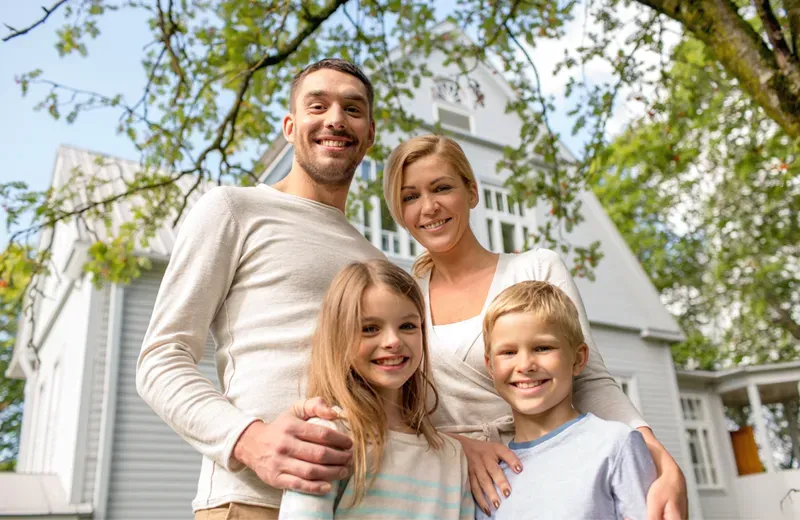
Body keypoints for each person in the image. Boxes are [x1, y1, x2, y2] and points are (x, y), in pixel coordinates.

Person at [382, 134, 688, 518]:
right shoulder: (405, 299)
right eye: (410, 197)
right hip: (447, 485)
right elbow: (398, 408)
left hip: (544, 470)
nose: (428, 207)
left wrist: (657, 457)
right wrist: (459, 447)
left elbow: (590, 379)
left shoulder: (535, 268)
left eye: (442, 188)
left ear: (472, 192)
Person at [136, 59, 385, 519]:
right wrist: (250, 441)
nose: (335, 119)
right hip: (251, 501)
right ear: (291, 126)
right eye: (318, 105)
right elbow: (161, 359)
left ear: (369, 134)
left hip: (360, 506)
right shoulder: (234, 209)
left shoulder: (378, 262)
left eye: (352, 109)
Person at [279, 260, 473, 519]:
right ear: (339, 339)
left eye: (407, 326)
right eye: (370, 329)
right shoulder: (327, 438)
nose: (393, 341)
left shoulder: (452, 456)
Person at [475, 280, 656, 519]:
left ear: (578, 359)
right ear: (491, 366)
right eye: (508, 352)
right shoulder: (489, 476)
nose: (525, 365)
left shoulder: (615, 445)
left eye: (542, 348)